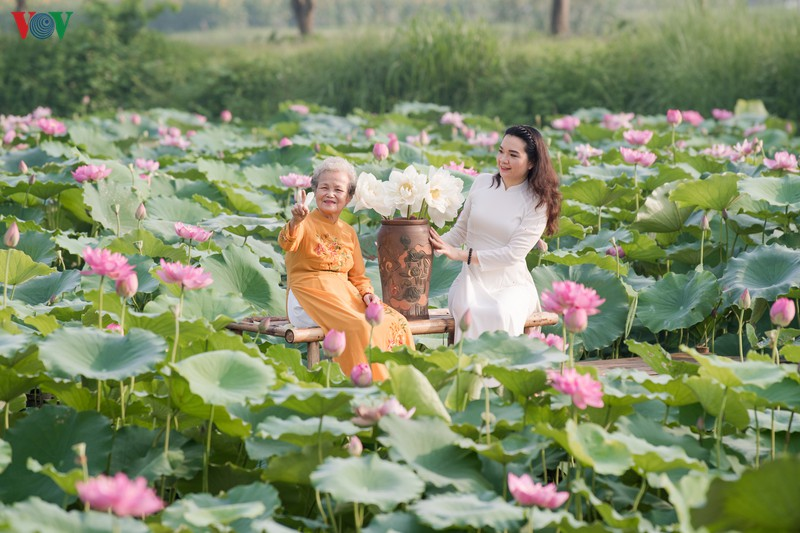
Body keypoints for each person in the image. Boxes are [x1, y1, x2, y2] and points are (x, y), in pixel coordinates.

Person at [278, 156, 414, 381]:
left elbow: (358, 277)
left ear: (348, 197)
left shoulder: (348, 232)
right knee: (358, 326)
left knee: (395, 321)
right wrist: (295, 221)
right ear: (314, 191)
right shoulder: (304, 222)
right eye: (324, 187)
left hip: (345, 294)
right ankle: (364, 384)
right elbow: (287, 242)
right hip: (309, 295)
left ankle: (398, 384)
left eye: (338, 190)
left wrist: (368, 294)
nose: (330, 194)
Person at [429, 125, 561, 340]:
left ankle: (500, 371)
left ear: (532, 162)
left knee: (500, 312)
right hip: (471, 280)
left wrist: (460, 255)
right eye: (501, 151)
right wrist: (424, 245)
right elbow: (459, 231)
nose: (503, 159)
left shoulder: (538, 203)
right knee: (471, 310)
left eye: (513, 155)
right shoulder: (482, 183)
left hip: (511, 284)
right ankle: (468, 371)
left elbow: (512, 255)